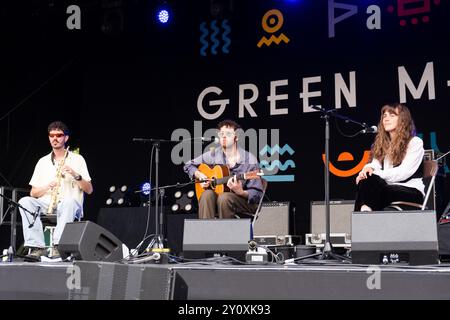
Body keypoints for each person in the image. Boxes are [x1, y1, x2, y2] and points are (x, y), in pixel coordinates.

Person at [18, 121, 93, 260]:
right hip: (47, 203)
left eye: (59, 135)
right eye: (51, 135)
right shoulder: (42, 161)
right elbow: (33, 193)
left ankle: (58, 246)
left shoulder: (77, 159)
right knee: (24, 201)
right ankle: (38, 247)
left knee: (69, 202)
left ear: (66, 138)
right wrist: (47, 186)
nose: (55, 138)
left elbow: (89, 190)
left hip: (69, 205)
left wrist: (75, 174)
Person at [184, 120, 264, 219]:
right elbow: (188, 165)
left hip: (245, 202)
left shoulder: (249, 159)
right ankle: (205, 232)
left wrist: (241, 192)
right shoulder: (213, 154)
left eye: (228, 134)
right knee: (206, 194)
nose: (224, 137)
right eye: (221, 134)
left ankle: (225, 233)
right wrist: (199, 175)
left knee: (224, 197)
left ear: (236, 137)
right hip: (220, 199)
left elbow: (257, 194)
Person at [355, 103, 424, 211]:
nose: (386, 119)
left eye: (392, 115)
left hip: (410, 190)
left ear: (403, 120)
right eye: (384, 116)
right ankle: (365, 212)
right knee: (367, 180)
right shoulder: (383, 143)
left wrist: (374, 173)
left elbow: (403, 172)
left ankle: (363, 216)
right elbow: (375, 163)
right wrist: (368, 169)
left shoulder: (415, 142)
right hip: (388, 188)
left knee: (370, 186)